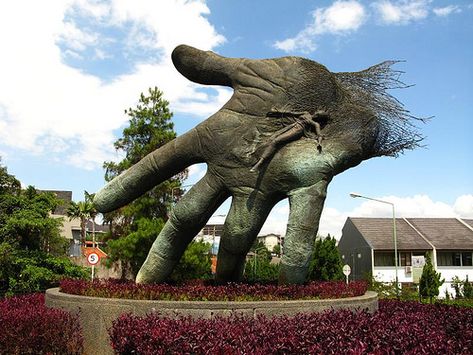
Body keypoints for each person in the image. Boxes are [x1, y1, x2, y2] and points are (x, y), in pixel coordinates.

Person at [250, 110, 329, 172]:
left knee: (276, 141)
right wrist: (276, 112)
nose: (316, 114)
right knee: (272, 138)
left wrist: (319, 143)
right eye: (317, 113)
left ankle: (260, 163)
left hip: (297, 130)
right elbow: (291, 113)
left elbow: (319, 135)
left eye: (318, 115)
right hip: (291, 126)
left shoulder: (315, 124)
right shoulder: (306, 113)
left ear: (319, 118)